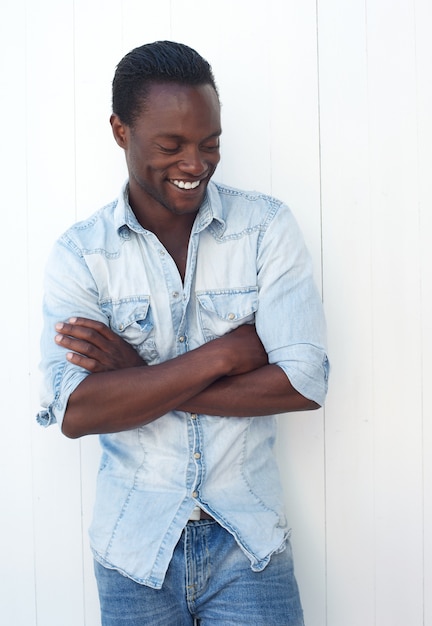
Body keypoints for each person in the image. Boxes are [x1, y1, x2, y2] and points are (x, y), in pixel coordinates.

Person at [37, 41, 329, 626]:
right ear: (121, 131)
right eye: (171, 146)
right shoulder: (81, 254)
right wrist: (224, 354)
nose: (195, 163)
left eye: (210, 143)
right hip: (133, 553)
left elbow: (302, 383)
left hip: (249, 547)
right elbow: (74, 411)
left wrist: (137, 382)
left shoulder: (266, 229)